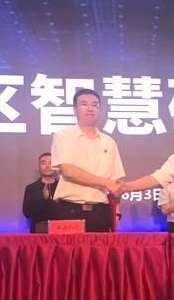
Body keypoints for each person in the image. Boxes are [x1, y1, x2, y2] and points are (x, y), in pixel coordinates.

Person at [51, 88, 125, 232]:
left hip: (100, 212)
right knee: (68, 248)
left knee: (101, 248)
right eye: (84, 104)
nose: (90, 108)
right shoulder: (63, 135)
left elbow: (115, 180)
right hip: (69, 210)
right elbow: (69, 171)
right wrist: (106, 183)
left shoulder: (109, 142)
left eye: (94, 104)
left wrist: (117, 210)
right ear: (75, 109)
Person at [22, 152, 59, 233]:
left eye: (51, 163)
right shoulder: (31, 188)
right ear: (38, 167)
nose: (47, 166)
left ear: (56, 167)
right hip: (38, 233)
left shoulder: (62, 188)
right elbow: (27, 213)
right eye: (43, 163)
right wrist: (43, 199)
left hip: (60, 232)